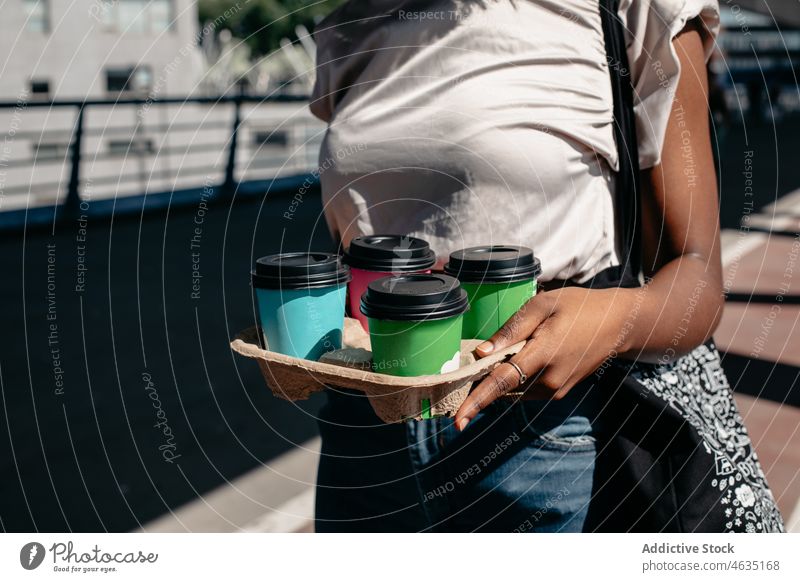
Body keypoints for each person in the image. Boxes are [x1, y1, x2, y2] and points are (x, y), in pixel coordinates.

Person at [307, 0, 735, 532]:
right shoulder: (360, 19)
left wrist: (612, 320)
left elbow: (699, 280)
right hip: (364, 429)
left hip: (533, 426)